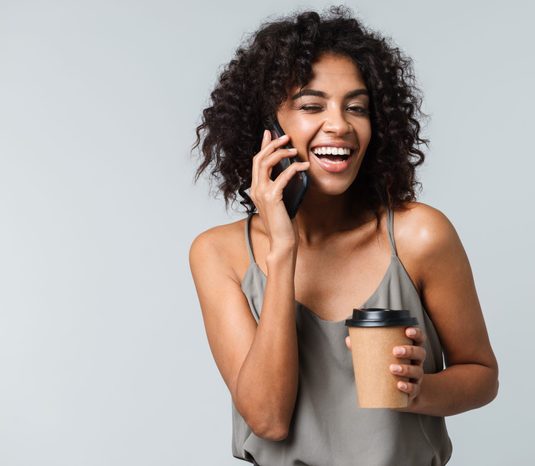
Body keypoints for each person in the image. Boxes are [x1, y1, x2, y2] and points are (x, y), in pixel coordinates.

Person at [189, 6, 499, 465]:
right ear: (267, 130)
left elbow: (482, 375)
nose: (340, 125)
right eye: (312, 106)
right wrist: (284, 250)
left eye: (357, 108)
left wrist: (418, 392)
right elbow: (268, 420)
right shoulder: (219, 253)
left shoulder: (420, 236)